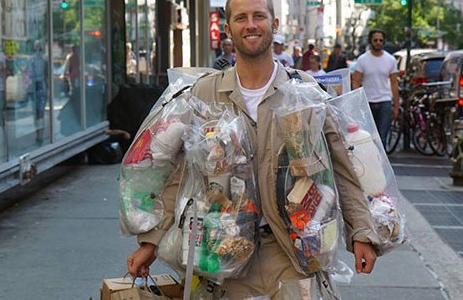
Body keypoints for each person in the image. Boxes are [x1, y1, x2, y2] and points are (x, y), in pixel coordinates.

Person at [127, 0, 378, 298]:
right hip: (219, 251)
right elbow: (181, 175)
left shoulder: (305, 92)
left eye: (259, 16)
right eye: (241, 18)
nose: (251, 25)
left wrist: (362, 232)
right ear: (228, 29)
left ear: (274, 24)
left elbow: (341, 169)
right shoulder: (203, 93)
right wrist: (151, 242)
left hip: (291, 250)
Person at [351, 29, 400, 142]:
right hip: (367, 103)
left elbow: (394, 83)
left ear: (384, 42)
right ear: (370, 41)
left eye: (380, 40)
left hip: (385, 102)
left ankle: (381, 160)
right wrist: (356, 103)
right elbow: (356, 82)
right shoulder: (362, 59)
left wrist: (396, 105)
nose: (378, 42)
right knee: (368, 137)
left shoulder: (390, 60)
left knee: (382, 137)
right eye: (375, 40)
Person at [29, 40, 50, 144]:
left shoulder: (45, 60)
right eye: (36, 47)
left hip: (41, 86)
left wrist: (49, 89)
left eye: (39, 47)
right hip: (34, 86)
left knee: (40, 112)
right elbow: (27, 75)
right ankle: (37, 133)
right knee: (35, 112)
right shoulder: (31, 60)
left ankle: (40, 135)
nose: (37, 49)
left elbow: (47, 75)